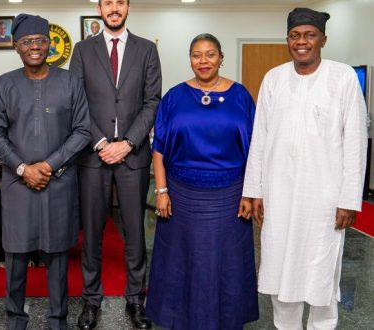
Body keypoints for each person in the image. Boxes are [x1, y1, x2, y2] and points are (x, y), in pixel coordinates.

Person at [243, 8, 367, 329]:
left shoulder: (342, 79)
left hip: (323, 200)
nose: (302, 42)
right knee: (281, 275)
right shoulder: (274, 79)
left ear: (323, 39)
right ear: (287, 40)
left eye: (309, 35)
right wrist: (254, 191)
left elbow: (355, 142)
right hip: (279, 196)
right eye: (295, 36)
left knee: (322, 278)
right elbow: (260, 139)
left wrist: (349, 199)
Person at [145, 33, 259, 329]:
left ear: (221, 57)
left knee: (226, 263)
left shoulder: (241, 96)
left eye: (210, 54)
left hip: (229, 196)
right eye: (197, 55)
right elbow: (159, 149)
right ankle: (182, 320)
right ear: (190, 59)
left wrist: (251, 193)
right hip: (181, 197)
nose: (204, 61)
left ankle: (226, 319)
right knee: (182, 262)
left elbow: (256, 150)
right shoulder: (174, 97)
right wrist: (161, 190)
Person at [0, 13, 91, 330]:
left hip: (58, 183)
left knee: (58, 257)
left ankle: (57, 320)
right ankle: (16, 320)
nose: (35, 47)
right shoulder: (5, 84)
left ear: (50, 45)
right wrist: (22, 168)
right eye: (28, 42)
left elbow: (83, 131)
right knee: (16, 256)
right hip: (18, 186)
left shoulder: (72, 82)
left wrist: (48, 165)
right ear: (17, 46)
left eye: (41, 41)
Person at [69, 0, 162, 328]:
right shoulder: (82, 50)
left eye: (119, 2)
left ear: (128, 7)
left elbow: (152, 101)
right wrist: (100, 143)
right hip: (92, 157)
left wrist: (127, 144)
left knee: (135, 233)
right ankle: (91, 302)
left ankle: (136, 300)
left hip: (133, 156)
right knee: (92, 233)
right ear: (99, 8)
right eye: (107, 2)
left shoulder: (147, 49)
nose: (114, 8)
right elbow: (75, 101)